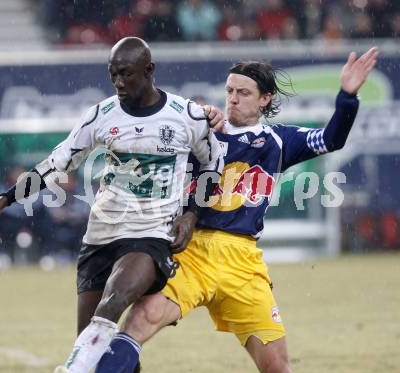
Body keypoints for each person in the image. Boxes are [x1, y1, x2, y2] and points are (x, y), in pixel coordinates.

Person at [94, 47, 378, 373]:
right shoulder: (200, 129)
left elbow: (331, 139)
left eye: (244, 93)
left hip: (243, 262)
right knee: (137, 325)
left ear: (264, 100)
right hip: (192, 250)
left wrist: (347, 96)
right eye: (230, 91)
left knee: (277, 366)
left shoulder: (278, 141)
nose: (233, 99)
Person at [0, 36, 224, 373]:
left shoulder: (187, 116)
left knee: (112, 304)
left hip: (151, 233)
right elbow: (55, 164)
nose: (118, 82)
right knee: (96, 346)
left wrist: (192, 214)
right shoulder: (101, 115)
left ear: (150, 70)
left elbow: (213, 164)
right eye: (113, 74)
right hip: (101, 234)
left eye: (126, 74)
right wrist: (2, 201)